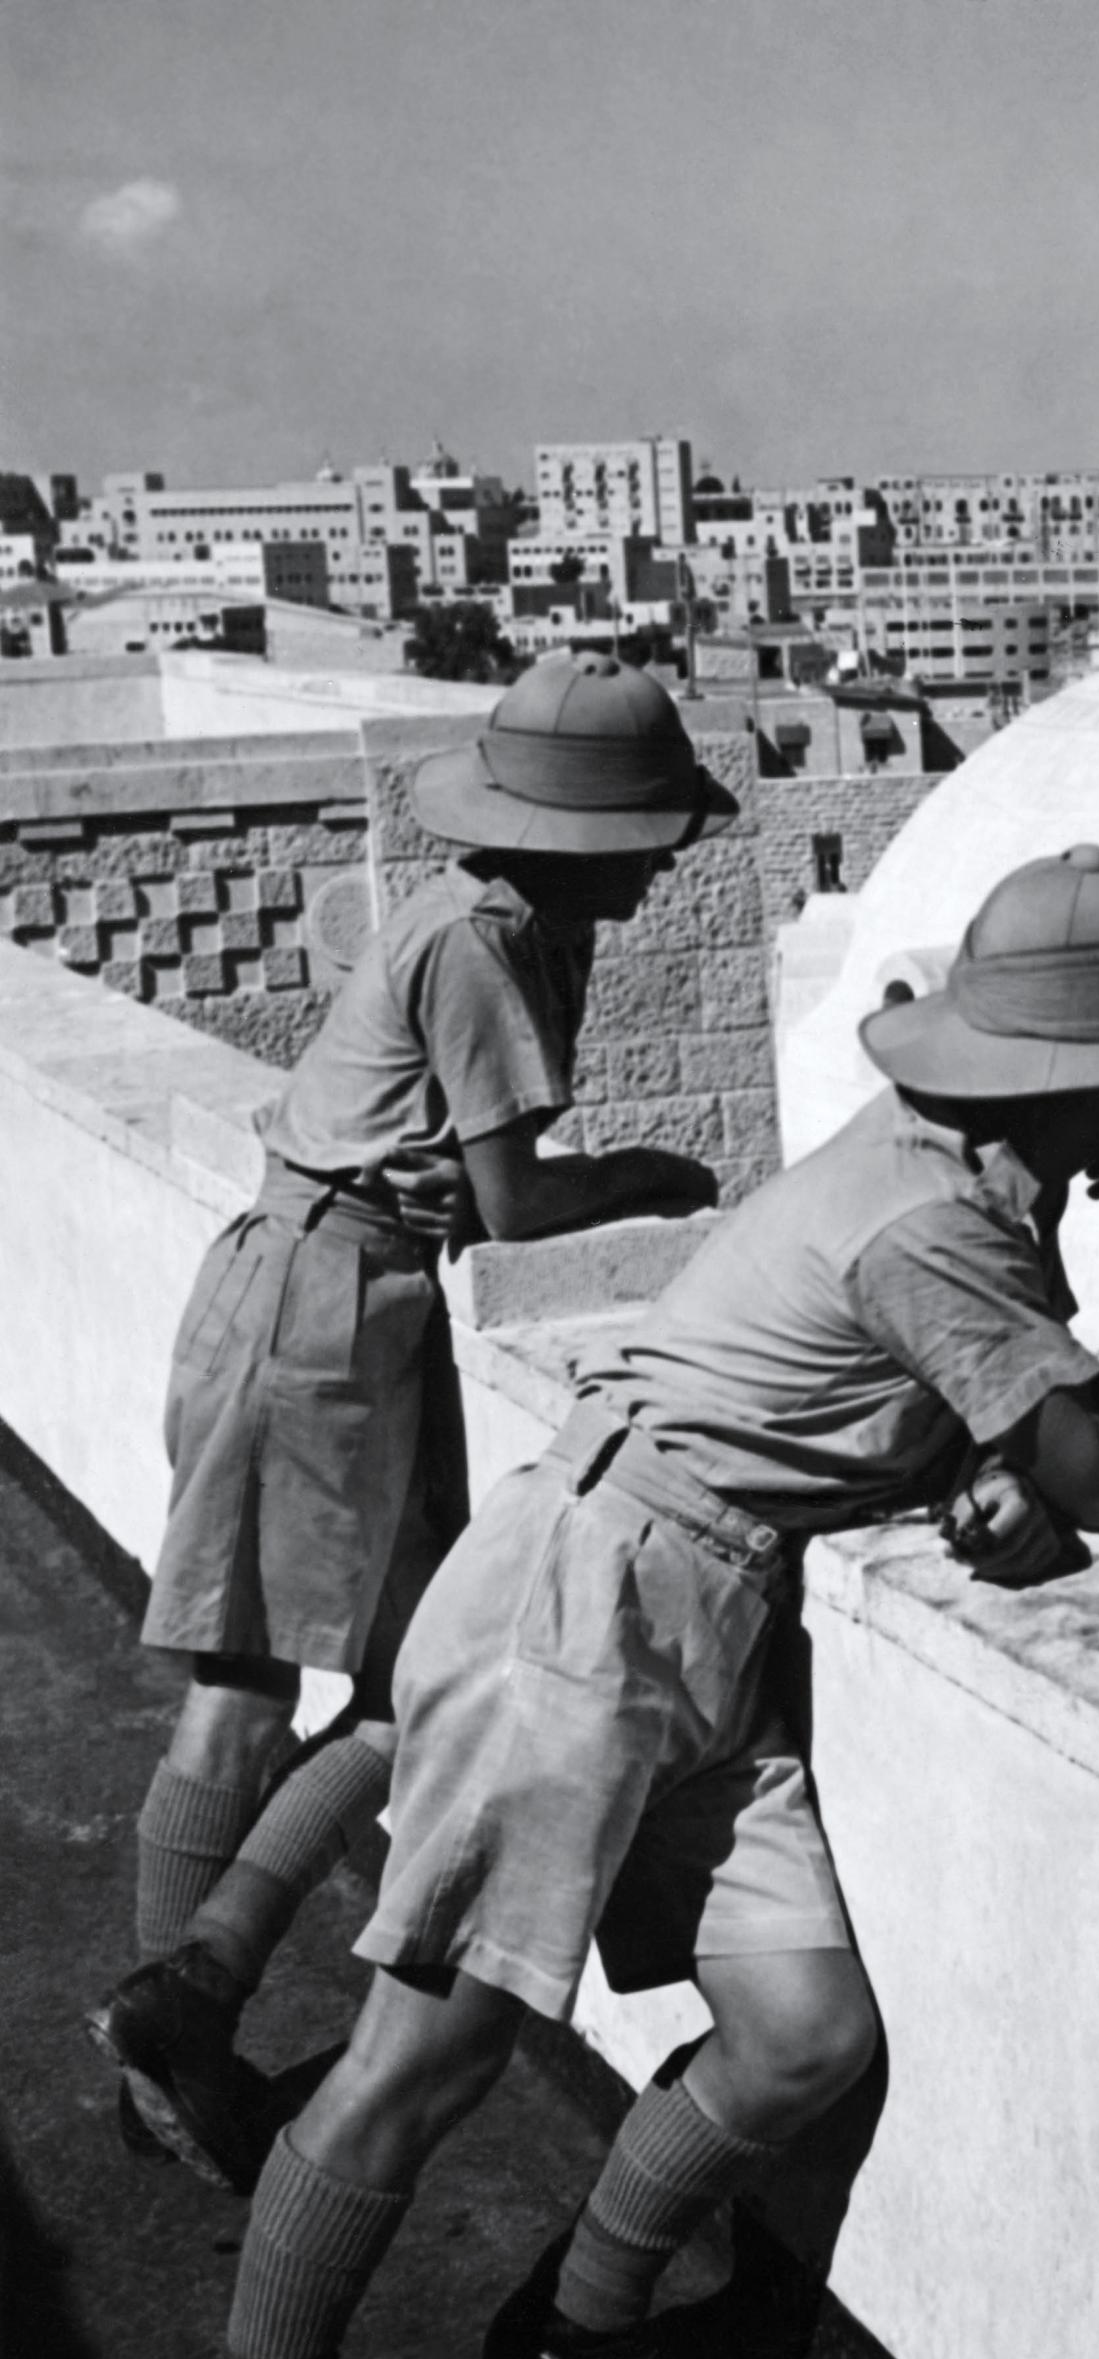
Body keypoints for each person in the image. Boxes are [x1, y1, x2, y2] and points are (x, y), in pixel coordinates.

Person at [175, 842, 1099, 2359]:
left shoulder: (955, 1175)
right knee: (424, 2061)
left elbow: (947, 1410)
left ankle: (578, 2336)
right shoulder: (932, 1217)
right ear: (1084, 1081)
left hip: (706, 1610)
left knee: (802, 2034)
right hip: (590, 1615)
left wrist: (969, 1465)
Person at [91, 652, 728, 2195]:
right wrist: (653, 1178)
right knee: (255, 1692)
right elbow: (516, 1199)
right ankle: (176, 2038)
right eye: (648, 834)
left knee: (393, 1681)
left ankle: (183, 2018)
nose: (663, 858)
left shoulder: (514, 924)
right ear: (584, 835)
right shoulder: (478, 940)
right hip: (319, 1306)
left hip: (349, 1299)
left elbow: (450, 1157)